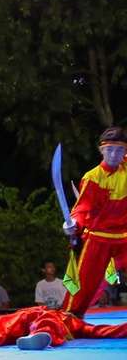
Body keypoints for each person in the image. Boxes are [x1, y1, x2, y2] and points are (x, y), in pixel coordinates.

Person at [63, 126, 127, 315]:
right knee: (84, 283)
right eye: (109, 149)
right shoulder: (92, 178)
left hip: (125, 236)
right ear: (101, 150)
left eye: (120, 150)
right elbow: (82, 208)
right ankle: (69, 319)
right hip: (100, 236)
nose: (114, 154)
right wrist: (74, 223)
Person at [0, 305, 127, 351]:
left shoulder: (70, 320)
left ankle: (40, 336)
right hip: (23, 317)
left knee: (48, 320)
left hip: (37, 320)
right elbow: (102, 330)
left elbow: (103, 330)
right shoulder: (54, 311)